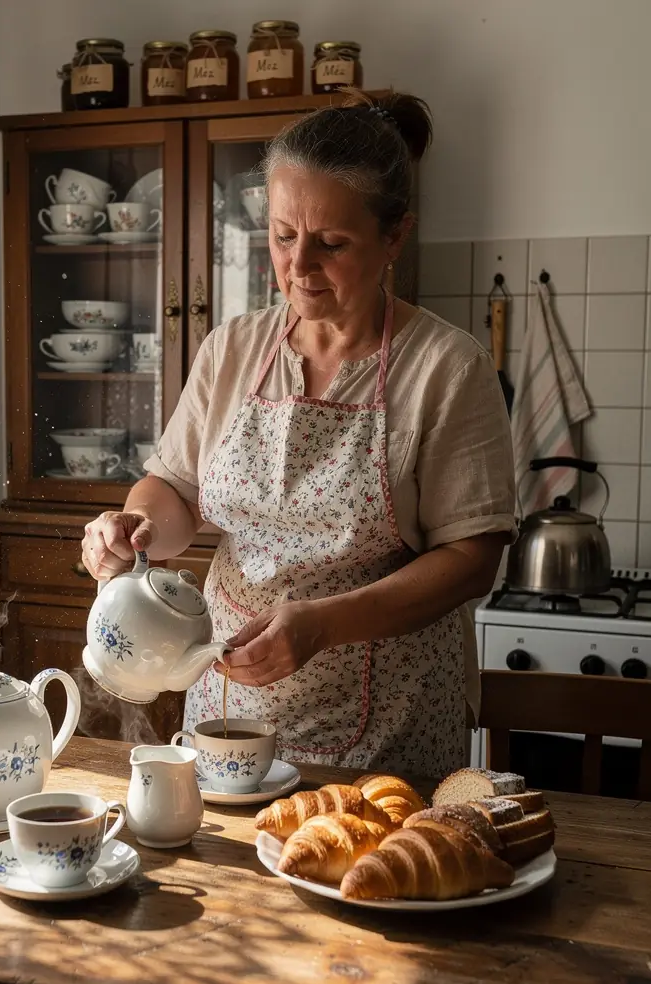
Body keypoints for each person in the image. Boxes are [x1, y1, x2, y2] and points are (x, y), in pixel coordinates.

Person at [81, 91, 516, 778]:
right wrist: (133, 528)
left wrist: (323, 624)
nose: (298, 266)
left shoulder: (447, 367)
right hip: (227, 710)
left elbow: (473, 557)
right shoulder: (233, 348)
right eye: (284, 236)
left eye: (331, 243)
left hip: (387, 725)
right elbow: (175, 491)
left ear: (394, 236)